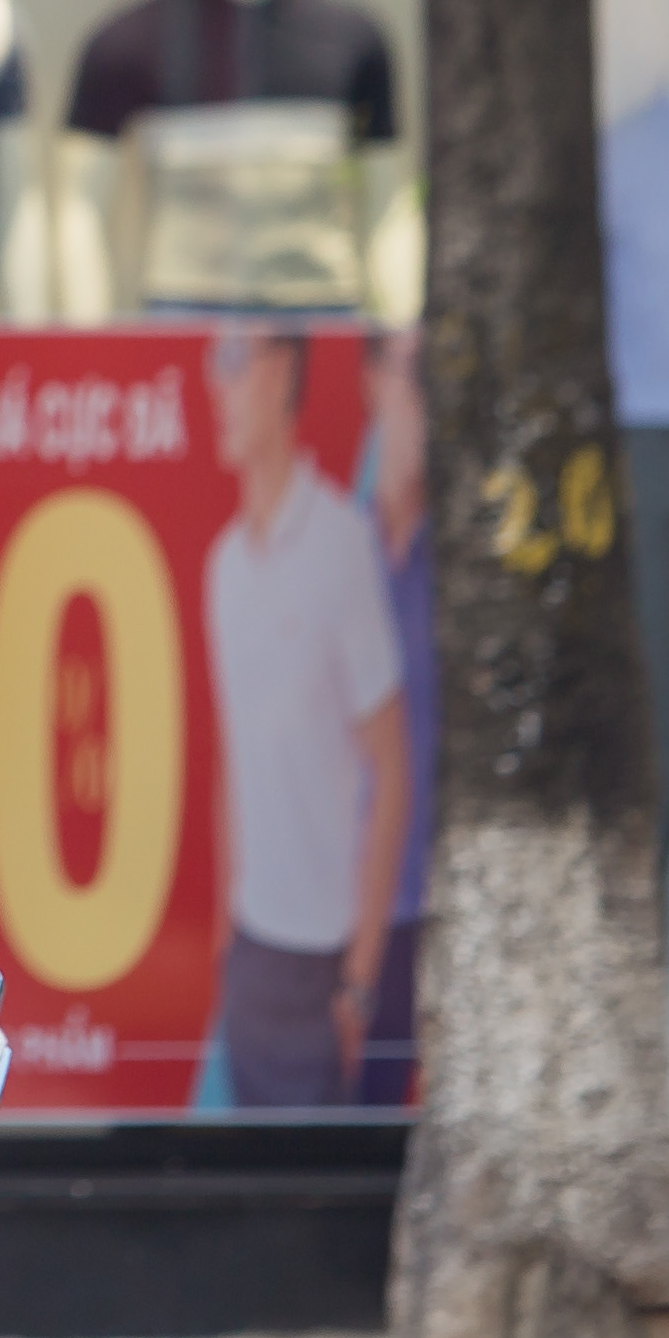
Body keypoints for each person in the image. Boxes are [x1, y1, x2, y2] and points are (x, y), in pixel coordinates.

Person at [199, 328, 408, 1108]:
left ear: (282, 372)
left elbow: (391, 769)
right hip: (253, 957)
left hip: (327, 968)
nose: (214, 388)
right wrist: (227, 939)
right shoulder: (224, 566)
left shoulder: (340, 546)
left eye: (231, 362)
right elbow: (234, 757)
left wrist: (359, 978)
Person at [358, 326, 434, 1105]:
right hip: (353, 918)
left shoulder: (468, 557)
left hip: (442, 899)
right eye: (412, 380)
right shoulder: (345, 551)